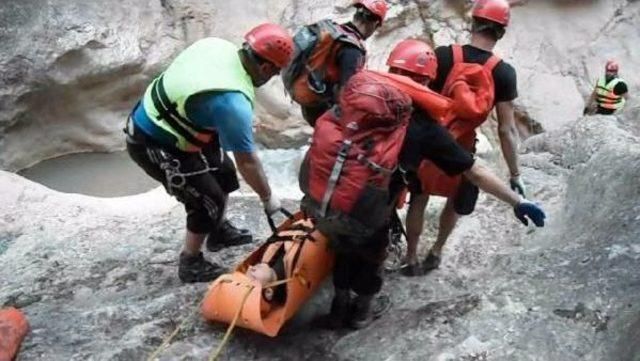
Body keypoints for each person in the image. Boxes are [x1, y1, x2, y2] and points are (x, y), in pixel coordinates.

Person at [306, 40, 546, 328]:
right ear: (426, 80)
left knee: (342, 244)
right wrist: (517, 201)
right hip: (368, 207)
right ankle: (360, 312)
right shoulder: (420, 124)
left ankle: (339, 304)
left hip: (319, 197)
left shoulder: (354, 94)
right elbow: (476, 171)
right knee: (371, 251)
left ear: (392, 66)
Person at [125, 23, 294, 283]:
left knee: (225, 173)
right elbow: (247, 163)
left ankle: (217, 231)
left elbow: (201, 92)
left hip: (175, 120)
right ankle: (190, 261)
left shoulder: (219, 46)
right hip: (154, 140)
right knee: (208, 200)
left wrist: (232, 121)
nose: (271, 78)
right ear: (265, 68)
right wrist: (268, 198)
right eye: (274, 73)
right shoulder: (233, 103)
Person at [402, 0, 526, 276]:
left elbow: (418, 99)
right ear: (501, 32)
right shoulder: (504, 72)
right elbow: (506, 130)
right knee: (455, 202)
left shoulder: (444, 55)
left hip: (428, 143)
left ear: (472, 23)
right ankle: (435, 252)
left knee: (419, 198)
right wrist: (514, 173)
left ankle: (411, 257)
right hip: (463, 149)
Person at [283, 0, 388, 126]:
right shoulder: (352, 49)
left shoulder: (334, 31)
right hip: (321, 107)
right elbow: (347, 93)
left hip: (308, 96)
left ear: (356, 14)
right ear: (375, 24)